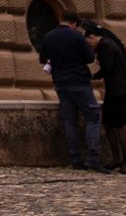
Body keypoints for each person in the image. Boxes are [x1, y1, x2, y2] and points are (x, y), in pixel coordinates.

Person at [40, 10, 102, 170]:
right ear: (74, 24)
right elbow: (89, 58)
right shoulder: (76, 36)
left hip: (60, 82)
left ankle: (75, 159)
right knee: (93, 117)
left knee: (70, 120)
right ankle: (93, 157)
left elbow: (42, 59)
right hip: (79, 81)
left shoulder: (49, 36)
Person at [86, 22, 126, 173]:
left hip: (117, 90)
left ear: (93, 37)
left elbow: (107, 68)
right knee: (109, 123)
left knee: (118, 125)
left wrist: (94, 76)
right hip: (117, 89)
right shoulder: (110, 43)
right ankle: (117, 159)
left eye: (88, 41)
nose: (89, 45)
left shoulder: (105, 46)